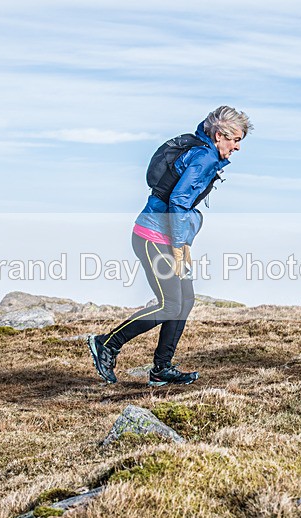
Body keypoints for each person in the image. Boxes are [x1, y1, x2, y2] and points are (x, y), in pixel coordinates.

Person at [87, 106, 253, 386]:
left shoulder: (204, 152)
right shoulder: (204, 157)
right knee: (170, 303)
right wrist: (178, 246)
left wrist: (183, 244)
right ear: (219, 134)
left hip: (169, 237)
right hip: (153, 238)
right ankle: (107, 344)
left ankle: (161, 368)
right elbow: (178, 201)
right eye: (235, 140)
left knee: (185, 301)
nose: (237, 147)